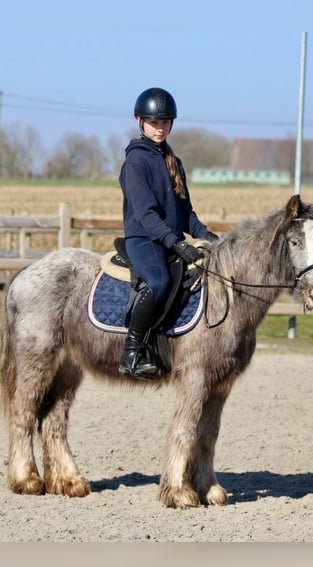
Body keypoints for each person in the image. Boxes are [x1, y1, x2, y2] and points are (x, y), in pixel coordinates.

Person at [118, 87, 219, 379]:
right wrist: (175, 243)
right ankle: (131, 353)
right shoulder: (136, 162)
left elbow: (185, 211)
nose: (159, 128)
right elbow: (146, 214)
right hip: (144, 239)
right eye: (153, 122)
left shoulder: (175, 162)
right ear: (140, 121)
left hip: (169, 240)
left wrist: (206, 236)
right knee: (159, 281)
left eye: (164, 122)